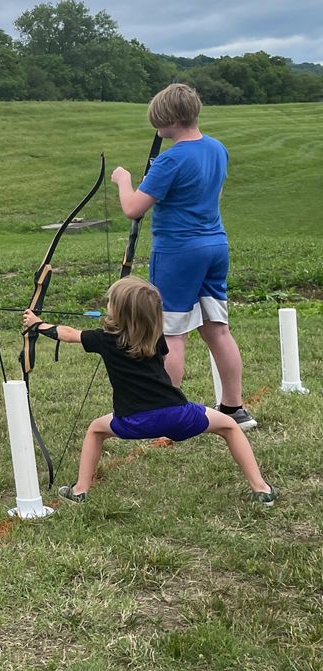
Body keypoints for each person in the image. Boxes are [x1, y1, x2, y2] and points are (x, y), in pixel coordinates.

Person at [22, 276, 276, 507]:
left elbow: (67, 334)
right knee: (229, 426)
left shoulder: (105, 339)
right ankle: (261, 488)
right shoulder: (156, 337)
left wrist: (37, 323)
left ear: (118, 312)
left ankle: (79, 490)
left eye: (111, 302)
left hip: (132, 421)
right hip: (179, 415)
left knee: (96, 430)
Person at [110, 82, 256, 430]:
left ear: (166, 120)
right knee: (217, 329)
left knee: (170, 333)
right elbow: (213, 195)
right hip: (215, 245)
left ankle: (166, 412)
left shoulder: (171, 158)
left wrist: (123, 180)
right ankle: (234, 407)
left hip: (178, 251)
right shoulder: (217, 148)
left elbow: (133, 209)